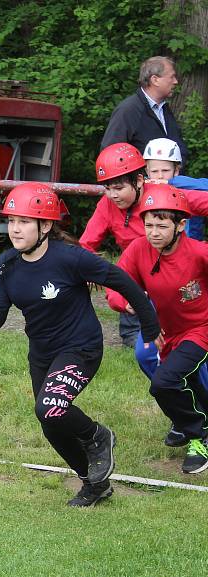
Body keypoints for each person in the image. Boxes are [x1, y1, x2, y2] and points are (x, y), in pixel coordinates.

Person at [0, 183, 159, 507]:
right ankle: (94, 484)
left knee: (50, 406)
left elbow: (122, 281)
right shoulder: (6, 265)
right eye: (11, 221)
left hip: (81, 348)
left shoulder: (70, 258)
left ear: (45, 226)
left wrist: (150, 325)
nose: (15, 229)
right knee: (50, 423)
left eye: (24, 221)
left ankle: (99, 436)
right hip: (42, 355)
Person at [106, 184, 208, 474]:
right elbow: (116, 285)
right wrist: (124, 303)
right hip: (167, 332)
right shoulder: (140, 249)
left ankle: (198, 434)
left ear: (181, 225)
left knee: (164, 382)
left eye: (162, 225)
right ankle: (196, 422)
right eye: (148, 225)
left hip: (201, 329)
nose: (153, 232)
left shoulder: (199, 253)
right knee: (179, 380)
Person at [100, 56, 203, 239]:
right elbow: (110, 154)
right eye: (171, 76)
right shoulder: (129, 110)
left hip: (172, 191)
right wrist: (135, 185)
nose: (176, 81)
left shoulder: (163, 109)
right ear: (155, 79)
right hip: (145, 200)